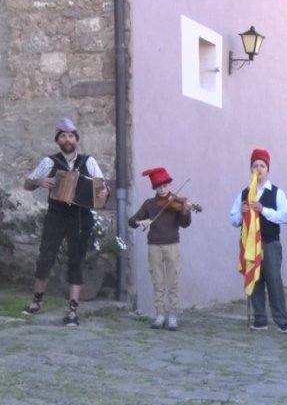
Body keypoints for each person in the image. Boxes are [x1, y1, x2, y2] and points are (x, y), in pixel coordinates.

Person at [22, 117, 109, 326]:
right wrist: (39, 182)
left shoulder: (88, 162)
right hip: (56, 215)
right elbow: (27, 184)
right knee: (46, 257)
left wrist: (105, 191)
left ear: (76, 139)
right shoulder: (49, 162)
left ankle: (72, 310)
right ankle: (36, 301)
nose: (67, 139)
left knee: (76, 260)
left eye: (71, 135)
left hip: (80, 216)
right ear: (58, 140)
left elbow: (101, 186)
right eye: (63, 135)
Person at [229, 148, 287, 333]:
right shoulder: (244, 194)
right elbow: (233, 219)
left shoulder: (277, 192)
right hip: (249, 243)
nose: (259, 169)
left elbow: (286, 216)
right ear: (251, 169)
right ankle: (260, 320)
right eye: (255, 165)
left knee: (274, 280)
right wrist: (242, 213)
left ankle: (282, 321)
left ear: (268, 169)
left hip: (270, 243)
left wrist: (263, 209)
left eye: (262, 165)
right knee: (254, 280)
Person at [128, 167, 193, 331]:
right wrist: (140, 222)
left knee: (173, 281)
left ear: (169, 185)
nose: (162, 189)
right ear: (155, 188)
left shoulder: (177, 202)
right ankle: (159, 314)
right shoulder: (149, 204)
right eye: (159, 187)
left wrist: (186, 211)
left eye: (165, 186)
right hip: (154, 246)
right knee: (157, 281)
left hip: (172, 244)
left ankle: (172, 314)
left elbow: (185, 224)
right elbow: (132, 220)